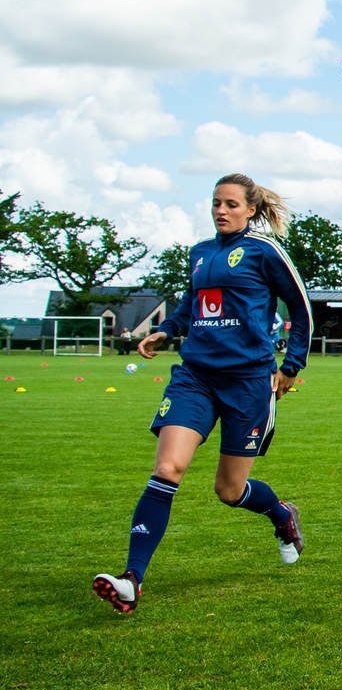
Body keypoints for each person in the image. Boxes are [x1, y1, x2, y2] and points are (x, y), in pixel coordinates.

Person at [92, 174, 312, 614]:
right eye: (216, 203)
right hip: (195, 377)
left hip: (248, 382)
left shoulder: (265, 251)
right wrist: (166, 331)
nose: (221, 211)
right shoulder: (200, 253)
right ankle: (132, 579)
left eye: (231, 204)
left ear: (251, 209)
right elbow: (192, 306)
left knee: (229, 490)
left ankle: (281, 515)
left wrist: (292, 365)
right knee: (167, 468)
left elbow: (302, 306)